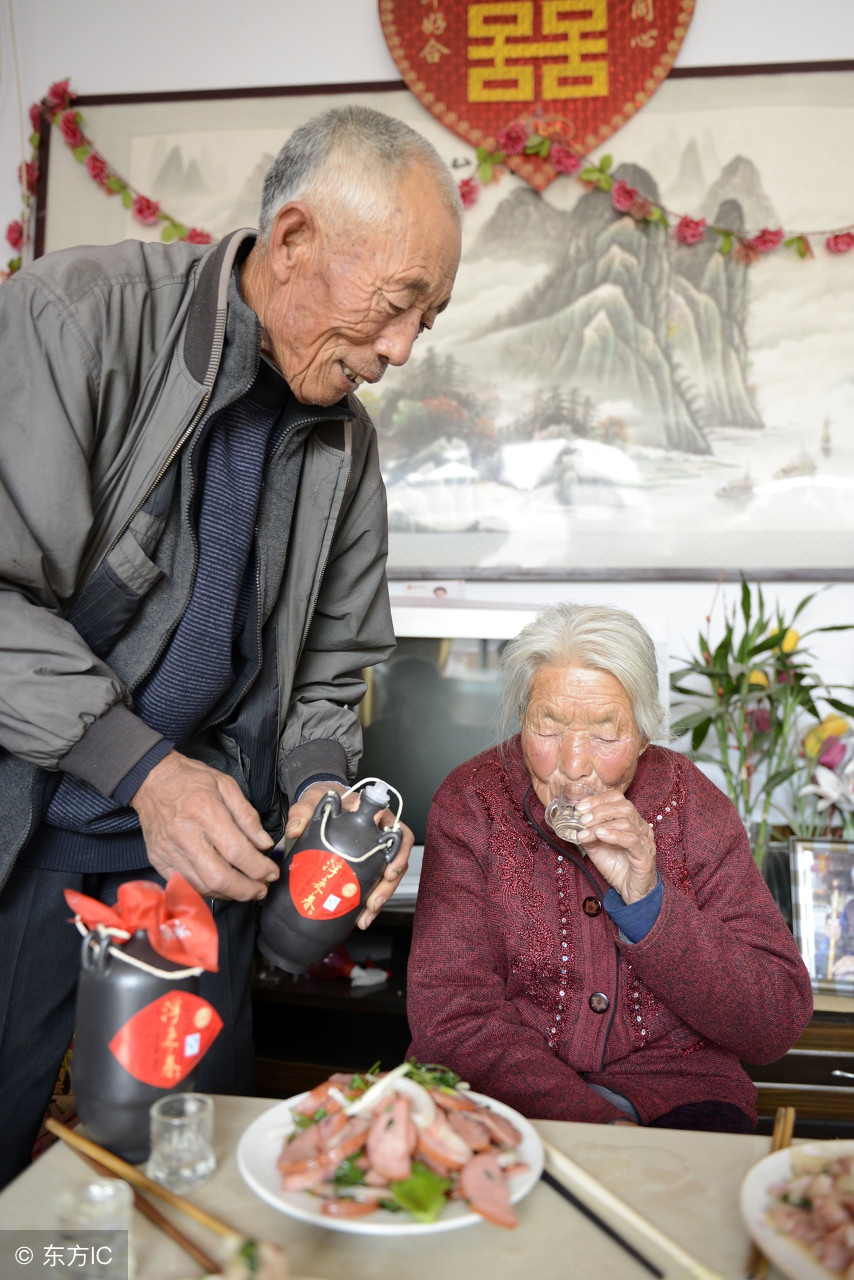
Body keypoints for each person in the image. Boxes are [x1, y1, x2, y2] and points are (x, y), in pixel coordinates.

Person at [0, 105, 462, 1187]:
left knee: (188, 1178)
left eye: (424, 323)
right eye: (395, 306)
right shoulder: (75, 318)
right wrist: (143, 770)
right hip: (24, 841)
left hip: (197, 870)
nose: (397, 350)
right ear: (293, 240)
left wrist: (312, 785)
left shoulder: (343, 438)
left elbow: (330, 664)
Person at [408, 602, 813, 1131]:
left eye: (605, 734)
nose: (573, 765)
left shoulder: (691, 803)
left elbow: (774, 1022)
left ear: (645, 735)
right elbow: (452, 1017)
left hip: (678, 1095)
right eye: (547, 726)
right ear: (522, 716)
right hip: (504, 1096)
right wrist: (595, 1126)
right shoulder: (471, 802)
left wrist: (651, 907)